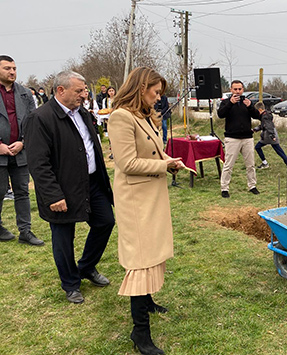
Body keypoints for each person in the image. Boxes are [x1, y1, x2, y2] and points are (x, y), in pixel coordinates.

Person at [109, 67, 184, 355]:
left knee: (153, 250)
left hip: (152, 193)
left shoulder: (145, 116)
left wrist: (170, 159)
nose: (158, 97)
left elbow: (154, 150)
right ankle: (140, 333)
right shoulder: (121, 117)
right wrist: (163, 165)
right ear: (142, 88)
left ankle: (148, 300)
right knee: (141, 259)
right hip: (136, 198)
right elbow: (127, 163)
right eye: (155, 91)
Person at [24, 71, 115, 303]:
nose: (84, 95)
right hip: (62, 188)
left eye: (84, 90)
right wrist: (53, 194)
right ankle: (70, 283)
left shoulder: (82, 112)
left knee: (105, 221)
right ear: (60, 91)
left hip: (92, 183)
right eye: (79, 91)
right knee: (64, 237)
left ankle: (86, 267)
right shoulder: (40, 118)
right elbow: (38, 163)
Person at [0, 55, 44, 246]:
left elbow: (33, 122)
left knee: (22, 192)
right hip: (0, 152)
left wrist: (23, 142)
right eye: (7, 68)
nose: (12, 72)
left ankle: (25, 231)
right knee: (0, 191)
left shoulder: (25, 94)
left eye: (14, 68)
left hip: (20, 152)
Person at [217, 80, 261, 198]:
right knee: (228, 165)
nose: (237, 92)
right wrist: (230, 103)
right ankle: (224, 188)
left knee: (250, 164)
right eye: (235, 89)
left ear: (243, 90)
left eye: (240, 89)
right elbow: (220, 114)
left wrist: (250, 106)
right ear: (231, 90)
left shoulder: (247, 102)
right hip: (232, 138)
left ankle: (252, 185)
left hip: (247, 138)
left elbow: (257, 116)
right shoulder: (226, 102)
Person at [253, 101, 287, 174]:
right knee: (278, 150)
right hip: (269, 134)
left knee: (259, 147)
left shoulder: (265, 116)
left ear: (259, 110)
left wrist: (272, 136)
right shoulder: (267, 114)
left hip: (269, 135)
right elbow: (264, 125)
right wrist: (256, 129)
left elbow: (269, 126)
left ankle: (266, 163)